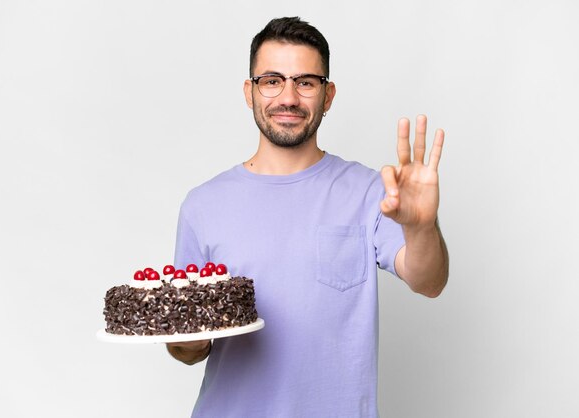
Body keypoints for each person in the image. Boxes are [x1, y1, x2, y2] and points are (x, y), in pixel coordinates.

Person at [167, 16, 449, 418]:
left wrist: (421, 227)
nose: (288, 97)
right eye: (271, 80)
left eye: (306, 82)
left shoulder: (371, 192)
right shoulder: (202, 206)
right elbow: (185, 348)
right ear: (250, 92)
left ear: (328, 95)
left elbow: (429, 281)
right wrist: (186, 343)